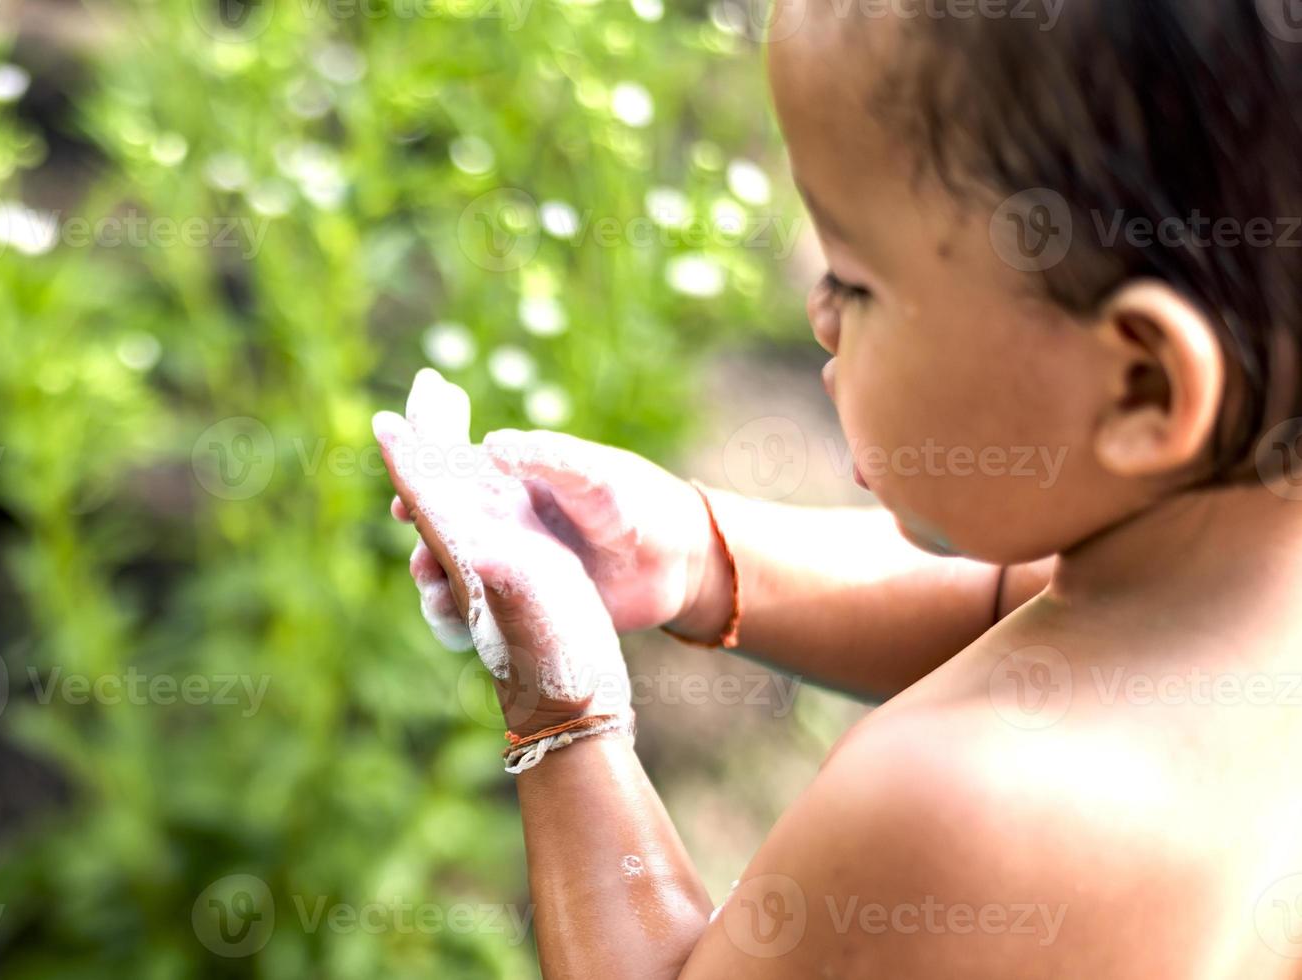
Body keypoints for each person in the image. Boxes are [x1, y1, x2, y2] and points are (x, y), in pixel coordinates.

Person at [373, 1, 1302, 975]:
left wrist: (563, 708)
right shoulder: (1219, 591)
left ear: (1141, 384)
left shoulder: (952, 813)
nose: (817, 315)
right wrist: (693, 552)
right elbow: (1008, 601)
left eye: (853, 281)